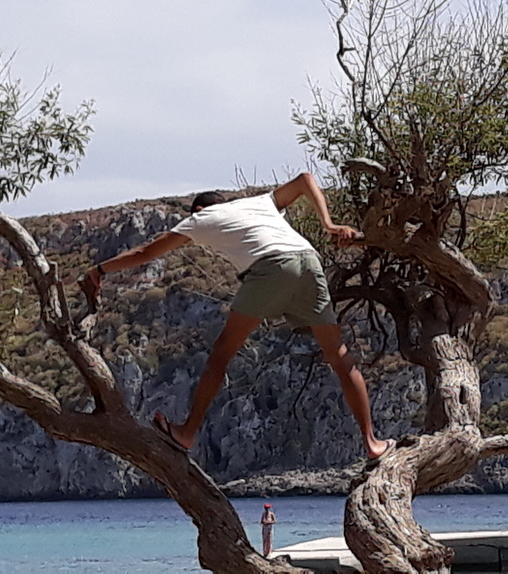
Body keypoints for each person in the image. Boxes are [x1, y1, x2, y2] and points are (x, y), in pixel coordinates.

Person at [81, 172, 392, 460]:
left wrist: (98, 270)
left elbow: (145, 253)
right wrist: (329, 224)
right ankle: (372, 443)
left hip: (272, 267)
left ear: (199, 209)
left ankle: (187, 433)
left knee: (222, 353)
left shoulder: (202, 218)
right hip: (309, 260)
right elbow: (305, 179)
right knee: (338, 355)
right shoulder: (259, 203)